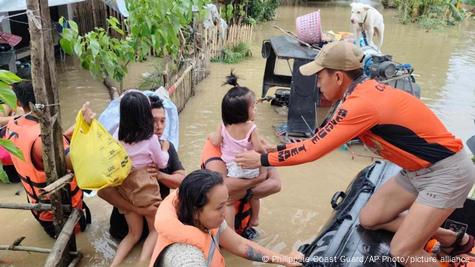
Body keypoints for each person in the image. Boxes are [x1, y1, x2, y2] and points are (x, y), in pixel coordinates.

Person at [235, 41, 475, 266]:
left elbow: (313, 150)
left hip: (446, 172)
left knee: (402, 251)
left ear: (338, 76)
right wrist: (273, 150)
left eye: (320, 77)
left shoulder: (361, 104)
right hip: (416, 170)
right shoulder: (358, 92)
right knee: (369, 219)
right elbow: (317, 139)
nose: (317, 84)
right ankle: (449, 237)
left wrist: (262, 159)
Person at [149, 169, 303, 267]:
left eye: (226, 204)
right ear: (196, 211)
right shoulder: (186, 257)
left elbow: (239, 245)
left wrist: (284, 259)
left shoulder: (204, 221)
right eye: (219, 207)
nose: (225, 213)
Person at [5, 81, 90, 238]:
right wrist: (88, 133)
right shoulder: (44, 137)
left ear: (18, 103)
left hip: (37, 206)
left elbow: (54, 150)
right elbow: (79, 164)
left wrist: (80, 125)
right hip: (61, 212)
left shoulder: (12, 125)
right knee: (80, 240)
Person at [95, 91, 169, 266]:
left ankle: (114, 264)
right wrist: (164, 148)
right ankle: (143, 262)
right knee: (155, 230)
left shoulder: (118, 134)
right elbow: (162, 163)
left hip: (125, 189)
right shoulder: (151, 139)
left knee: (133, 234)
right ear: (145, 114)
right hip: (144, 189)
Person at [97, 95, 185, 240]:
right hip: (126, 228)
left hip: (148, 228)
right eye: (153, 120)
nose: (159, 126)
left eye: (163, 121)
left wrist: (160, 175)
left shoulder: (165, 146)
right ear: (141, 119)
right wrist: (137, 209)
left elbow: (183, 181)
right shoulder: (122, 150)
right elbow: (103, 191)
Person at [208, 72, 271, 227]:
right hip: (250, 168)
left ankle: (229, 229)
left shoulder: (223, 125)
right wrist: (267, 154)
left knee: (230, 201)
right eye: (253, 107)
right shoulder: (251, 127)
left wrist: (209, 136)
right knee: (254, 196)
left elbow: (216, 141)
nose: (255, 110)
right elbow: (258, 148)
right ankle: (255, 219)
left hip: (233, 169)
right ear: (244, 112)